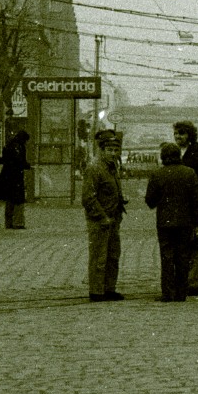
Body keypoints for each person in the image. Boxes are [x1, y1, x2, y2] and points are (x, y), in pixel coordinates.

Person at [145, 142, 198, 302]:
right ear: (179, 156)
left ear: (163, 157)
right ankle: (181, 293)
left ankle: (167, 293)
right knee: (183, 256)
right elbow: (195, 201)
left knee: (167, 256)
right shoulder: (190, 173)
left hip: (165, 223)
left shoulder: (157, 174)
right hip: (185, 222)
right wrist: (195, 222)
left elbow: (150, 201)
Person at [81, 129, 127, 302]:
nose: (113, 153)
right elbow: (88, 198)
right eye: (109, 150)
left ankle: (109, 288)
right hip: (99, 221)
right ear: (101, 149)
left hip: (113, 219)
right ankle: (97, 291)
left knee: (113, 255)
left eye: (116, 150)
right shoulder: (94, 168)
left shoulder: (112, 166)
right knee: (99, 257)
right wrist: (102, 217)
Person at [173, 121, 198, 297]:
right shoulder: (173, 152)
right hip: (178, 206)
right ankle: (182, 279)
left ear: (190, 134)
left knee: (196, 241)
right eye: (176, 133)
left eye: (181, 133)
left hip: (197, 205)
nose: (178, 137)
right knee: (181, 242)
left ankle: (193, 282)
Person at [1, 131, 32, 229]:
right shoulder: (19, 147)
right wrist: (28, 166)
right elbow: (19, 161)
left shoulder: (9, 145)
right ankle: (18, 222)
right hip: (16, 175)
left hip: (7, 175)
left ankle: (8, 222)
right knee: (19, 199)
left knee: (10, 199)